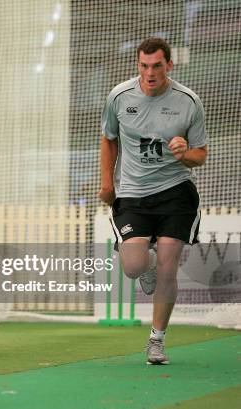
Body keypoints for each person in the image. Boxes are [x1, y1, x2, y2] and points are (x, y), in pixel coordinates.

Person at [99, 37, 208, 364]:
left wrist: (184, 153)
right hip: (133, 193)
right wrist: (107, 182)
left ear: (169, 66)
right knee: (133, 266)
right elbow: (109, 139)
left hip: (176, 193)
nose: (150, 73)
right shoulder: (119, 96)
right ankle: (145, 268)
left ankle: (156, 340)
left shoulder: (189, 102)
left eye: (157, 66)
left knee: (168, 264)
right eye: (144, 66)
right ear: (138, 65)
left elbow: (200, 154)